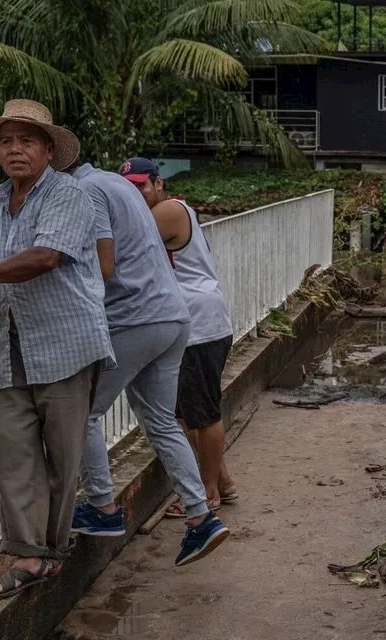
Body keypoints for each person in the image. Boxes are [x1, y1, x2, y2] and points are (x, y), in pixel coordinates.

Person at [0, 99, 113, 599]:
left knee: (62, 456)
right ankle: (26, 553)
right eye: (7, 141)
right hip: (11, 345)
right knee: (14, 453)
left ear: (47, 149)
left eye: (27, 140)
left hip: (66, 343)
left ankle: (51, 551)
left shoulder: (69, 196)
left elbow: (43, 256)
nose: (16, 149)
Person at [65, 159, 229, 567]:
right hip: (175, 317)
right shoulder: (120, 189)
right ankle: (201, 516)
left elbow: (103, 265)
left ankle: (102, 507)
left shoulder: (87, 192)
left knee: (81, 411)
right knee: (160, 420)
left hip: (137, 318)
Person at [119, 158, 237, 513]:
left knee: (204, 415)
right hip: (189, 324)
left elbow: (124, 244)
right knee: (183, 415)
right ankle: (224, 483)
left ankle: (207, 494)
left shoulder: (168, 210)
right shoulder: (169, 209)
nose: (135, 195)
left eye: (140, 186)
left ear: (158, 183)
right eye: (128, 188)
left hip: (199, 324)